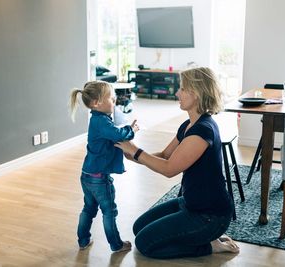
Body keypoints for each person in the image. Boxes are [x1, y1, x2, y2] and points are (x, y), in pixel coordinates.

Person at [115, 67, 240, 259]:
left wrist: (136, 151)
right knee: (138, 227)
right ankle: (200, 237)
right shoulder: (189, 125)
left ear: (196, 93)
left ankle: (209, 246)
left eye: (182, 89)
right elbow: (165, 155)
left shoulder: (203, 131)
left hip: (209, 216)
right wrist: (133, 156)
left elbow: (169, 169)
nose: (177, 93)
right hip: (190, 203)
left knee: (145, 244)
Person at [69, 80, 139, 253]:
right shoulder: (101, 122)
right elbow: (116, 135)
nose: (114, 102)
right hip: (99, 178)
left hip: (87, 174)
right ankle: (116, 244)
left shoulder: (98, 119)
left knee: (89, 208)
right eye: (111, 99)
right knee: (109, 211)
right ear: (96, 103)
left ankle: (83, 240)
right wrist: (132, 130)